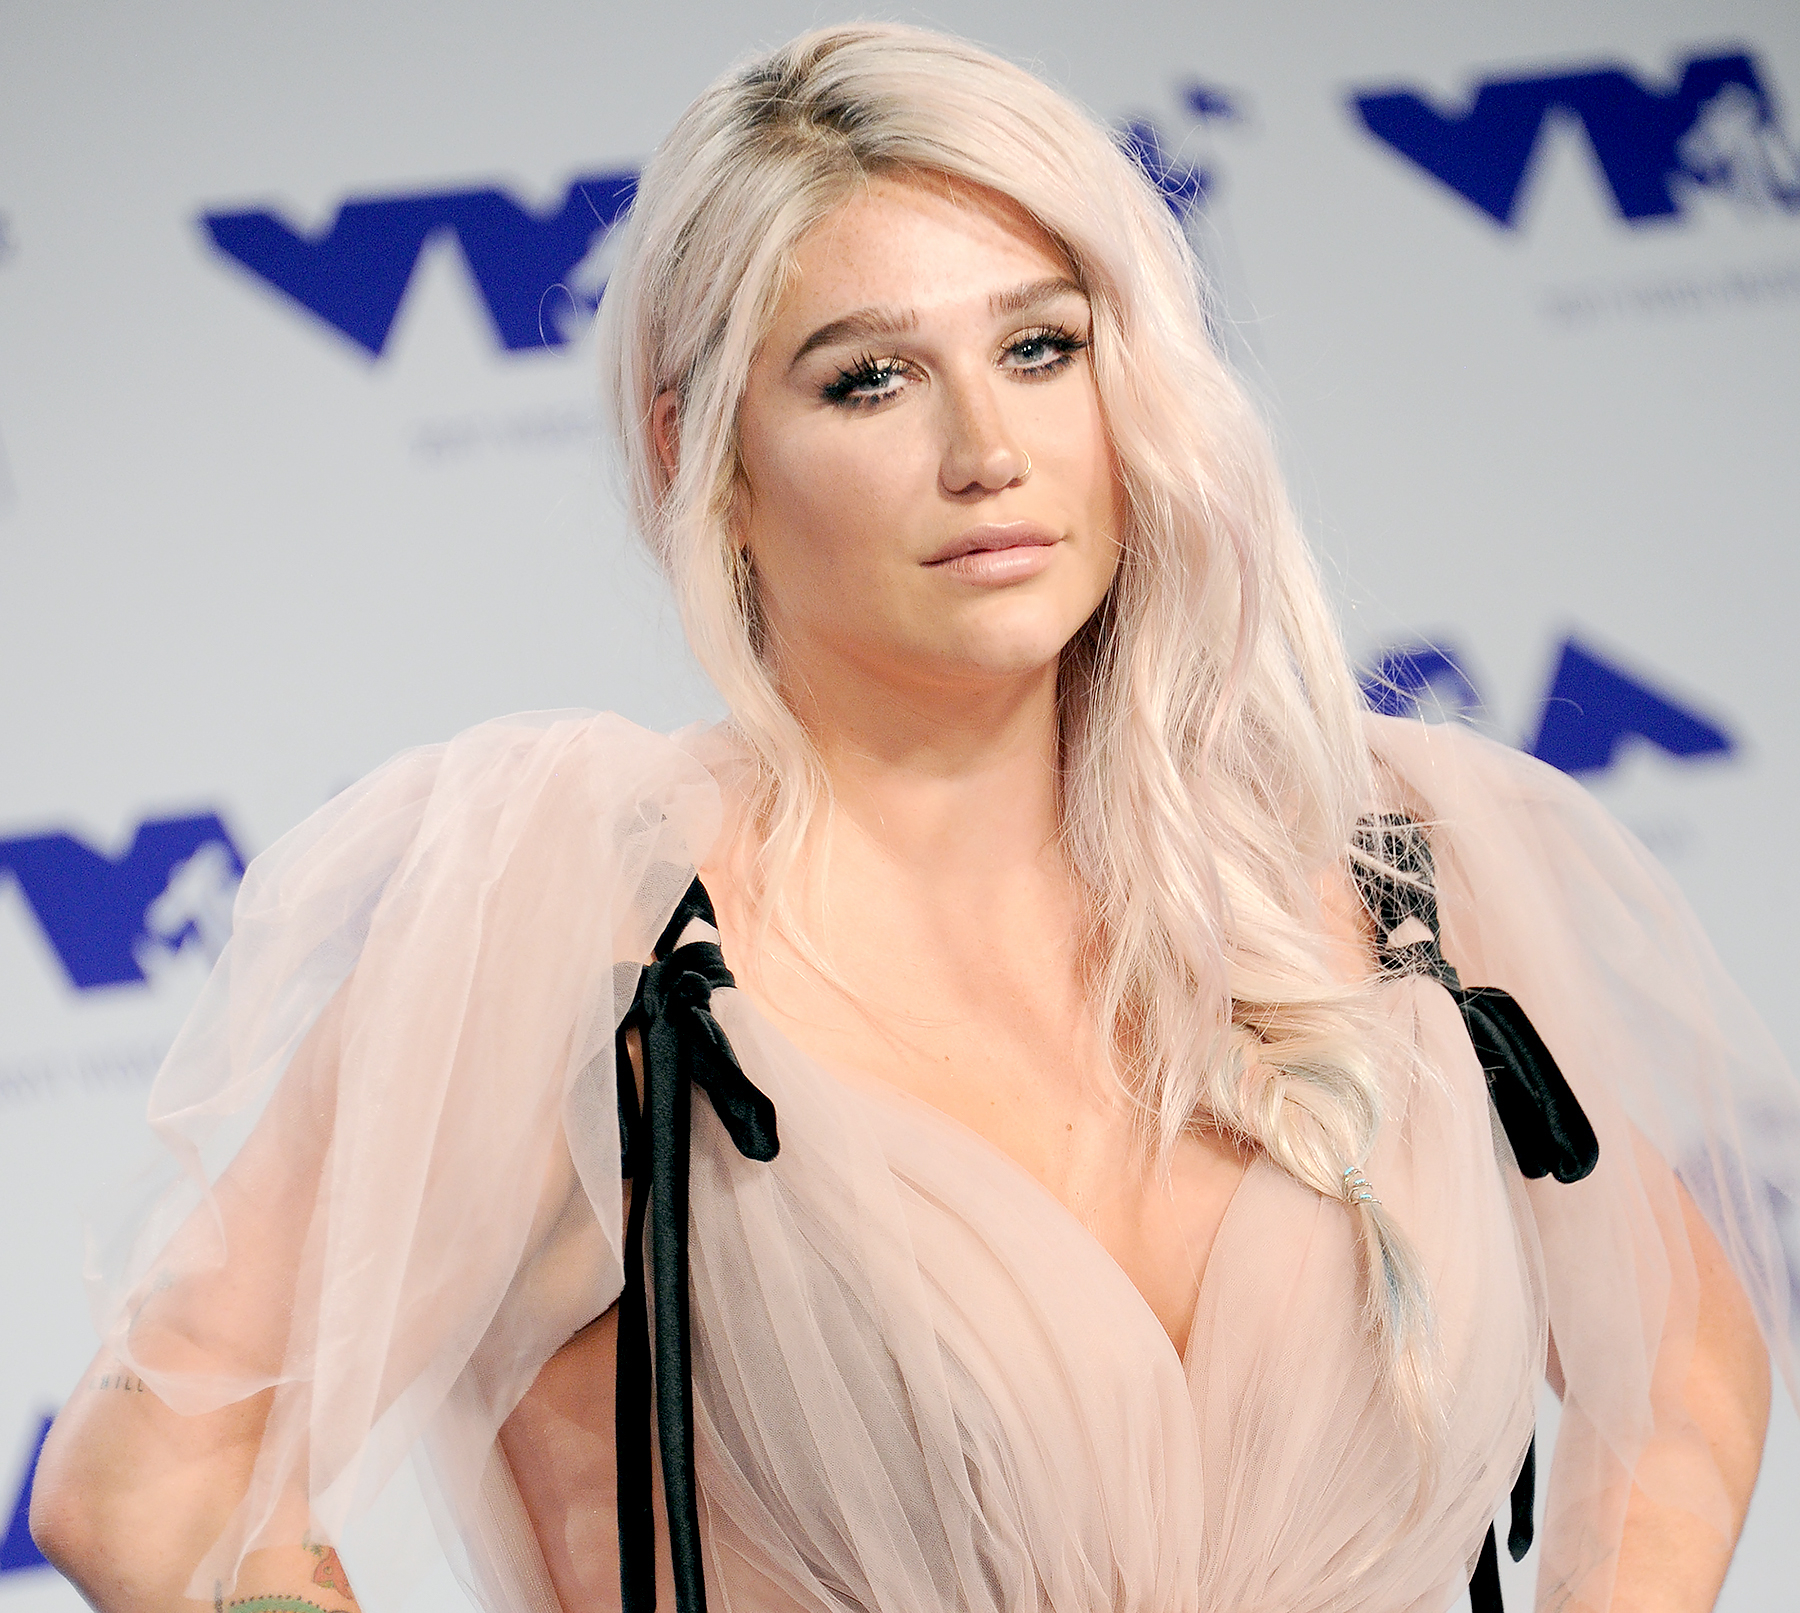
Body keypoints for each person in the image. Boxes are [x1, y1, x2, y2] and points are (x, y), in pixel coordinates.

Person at [28, 22, 1797, 1613]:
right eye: (869, 379)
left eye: (1042, 347)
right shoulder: (603, 946)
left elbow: (1690, 1364)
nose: (988, 451)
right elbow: (148, 1496)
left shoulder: (1389, 866)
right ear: (700, 463)